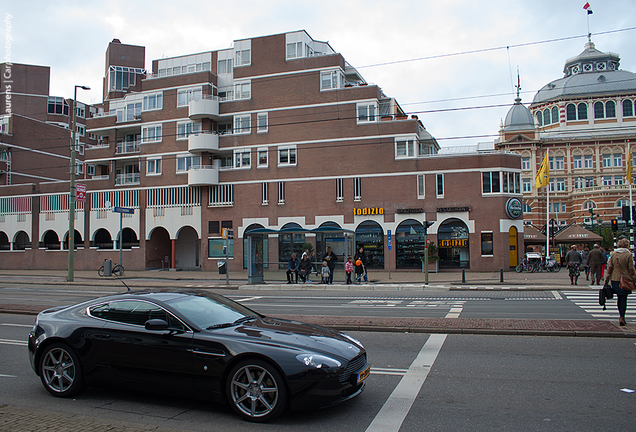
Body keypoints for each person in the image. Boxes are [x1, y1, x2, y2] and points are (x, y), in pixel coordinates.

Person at [604, 237, 634, 326]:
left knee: (618, 297)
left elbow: (610, 267)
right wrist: (634, 278)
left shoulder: (613, 254)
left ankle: (620, 315)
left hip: (615, 279)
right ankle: (622, 316)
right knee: (623, 298)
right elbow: (631, 268)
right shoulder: (628, 255)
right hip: (625, 279)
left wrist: (607, 279)